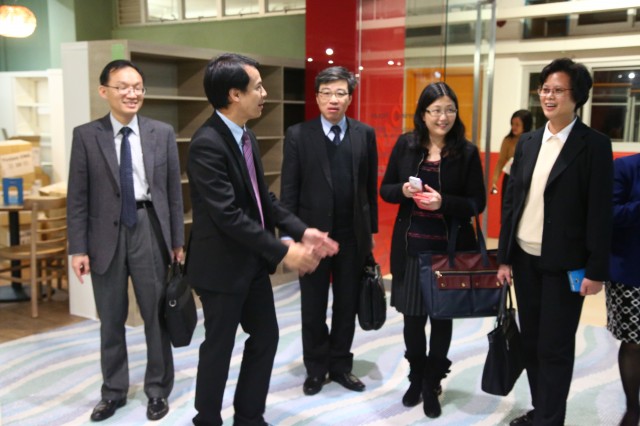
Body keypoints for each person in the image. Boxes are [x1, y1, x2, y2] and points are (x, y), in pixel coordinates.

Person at [187, 53, 339, 426]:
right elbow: (227, 215)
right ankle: (207, 420)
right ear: (234, 94)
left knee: (266, 338)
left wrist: (302, 230)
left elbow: (261, 200)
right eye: (257, 87)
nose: (264, 93)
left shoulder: (246, 135)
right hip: (221, 268)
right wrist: (282, 251)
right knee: (219, 349)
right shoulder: (207, 143)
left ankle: (249, 417)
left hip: (251, 263)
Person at [497, 58, 613, 426]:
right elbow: (512, 202)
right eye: (545, 89)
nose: (548, 96)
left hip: (566, 264)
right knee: (531, 343)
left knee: (555, 347)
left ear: (577, 96)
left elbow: (600, 210)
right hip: (525, 259)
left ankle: (550, 420)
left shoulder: (594, 145)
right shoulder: (529, 141)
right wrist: (504, 258)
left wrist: (596, 269)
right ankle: (542, 412)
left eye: (558, 90)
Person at [67, 59, 185, 422]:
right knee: (111, 318)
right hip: (104, 235)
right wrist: (78, 248)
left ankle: (157, 389)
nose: (132, 93)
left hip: (149, 227)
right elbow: (78, 197)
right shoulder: (86, 135)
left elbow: (173, 192)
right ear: (104, 91)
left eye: (137, 87)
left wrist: (177, 240)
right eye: (123, 87)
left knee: (156, 315)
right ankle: (113, 391)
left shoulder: (161, 132)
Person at [380, 82, 486, 419]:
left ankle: (431, 383)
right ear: (423, 114)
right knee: (413, 322)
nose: (444, 117)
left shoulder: (466, 152)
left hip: (448, 254)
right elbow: (385, 190)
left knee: (441, 321)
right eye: (436, 110)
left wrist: (444, 203)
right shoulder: (406, 145)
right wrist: (404, 191)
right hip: (412, 250)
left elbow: (477, 202)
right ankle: (415, 378)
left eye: (450, 110)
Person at [280, 66, 378, 396]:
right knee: (313, 306)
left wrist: (370, 235)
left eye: (340, 93)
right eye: (326, 93)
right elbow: (289, 190)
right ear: (317, 97)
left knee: (347, 305)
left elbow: (368, 188)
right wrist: (292, 237)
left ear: (350, 98)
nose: (333, 99)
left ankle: (340, 366)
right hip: (312, 237)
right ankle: (315, 368)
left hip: (352, 236)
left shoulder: (364, 134)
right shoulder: (298, 134)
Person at [607, 153, 640, 426]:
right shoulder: (625, 167)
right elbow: (609, 213)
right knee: (633, 343)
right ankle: (632, 408)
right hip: (631, 271)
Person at [490, 109, 533, 206]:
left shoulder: (532, 140)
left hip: (526, 179)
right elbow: (501, 162)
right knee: (507, 206)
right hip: (510, 178)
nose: (514, 127)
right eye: (512, 124)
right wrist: (494, 181)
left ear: (525, 125)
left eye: (517, 124)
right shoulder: (508, 140)